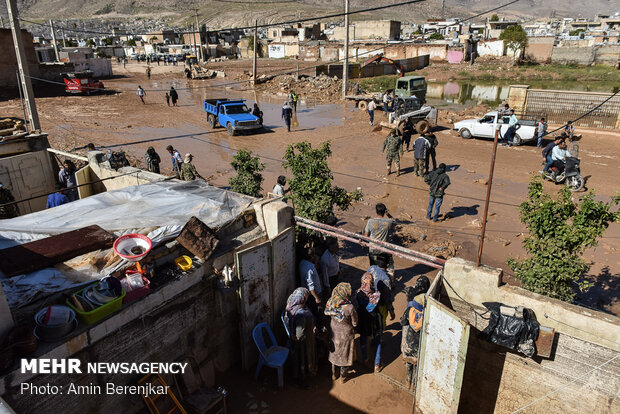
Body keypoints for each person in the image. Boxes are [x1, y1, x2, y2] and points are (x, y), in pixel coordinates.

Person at [356, 272, 393, 373]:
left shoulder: (359, 293)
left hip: (363, 319)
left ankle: (365, 358)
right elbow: (372, 308)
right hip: (375, 320)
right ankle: (377, 364)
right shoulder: (376, 295)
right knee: (377, 341)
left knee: (363, 338)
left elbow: (362, 306)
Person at [400, 276, 431, 389]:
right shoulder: (428, 315)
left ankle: (407, 382)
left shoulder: (410, 311)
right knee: (417, 366)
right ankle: (414, 385)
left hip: (409, 343)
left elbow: (403, 322)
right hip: (420, 346)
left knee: (409, 363)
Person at [325, 282, 358, 382]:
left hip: (334, 330)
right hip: (346, 334)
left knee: (334, 351)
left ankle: (334, 374)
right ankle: (343, 376)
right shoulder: (349, 307)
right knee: (345, 353)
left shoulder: (331, 302)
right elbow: (355, 322)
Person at [285, 287, 317, 388]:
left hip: (296, 340)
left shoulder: (292, 306)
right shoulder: (302, 313)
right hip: (303, 343)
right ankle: (302, 380)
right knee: (302, 360)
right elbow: (299, 335)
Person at [363, 203, 395, 278]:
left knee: (373, 267)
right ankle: (391, 282)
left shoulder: (370, 221)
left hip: (373, 249)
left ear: (376, 211)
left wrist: (363, 244)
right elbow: (394, 220)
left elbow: (366, 235)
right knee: (390, 267)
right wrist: (388, 214)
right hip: (384, 250)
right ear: (385, 211)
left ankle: (374, 280)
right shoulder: (388, 222)